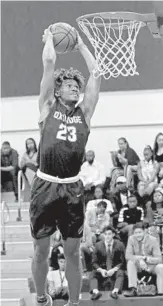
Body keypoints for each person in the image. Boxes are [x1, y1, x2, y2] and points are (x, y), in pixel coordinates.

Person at [29, 25, 101, 306]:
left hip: (72, 188)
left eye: (77, 86)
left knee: (72, 252)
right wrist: (49, 39)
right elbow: (49, 63)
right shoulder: (48, 106)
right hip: (45, 184)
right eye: (70, 85)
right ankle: (41, 296)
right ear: (58, 91)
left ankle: (73, 301)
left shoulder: (85, 112)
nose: (75, 88)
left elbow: (97, 74)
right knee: (40, 250)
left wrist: (81, 46)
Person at [124, 223, 163, 297]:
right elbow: (128, 255)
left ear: (144, 232)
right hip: (138, 265)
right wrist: (140, 259)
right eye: (135, 233)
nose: (138, 235)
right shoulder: (131, 239)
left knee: (161, 267)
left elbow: (159, 259)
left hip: (151, 265)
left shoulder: (153, 240)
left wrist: (146, 259)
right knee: (130, 262)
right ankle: (133, 289)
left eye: (140, 232)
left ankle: (160, 293)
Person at [90, 225, 125, 300]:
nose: (107, 236)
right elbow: (94, 262)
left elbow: (122, 261)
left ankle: (115, 291)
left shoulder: (120, 244)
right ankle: (96, 292)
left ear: (113, 234)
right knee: (93, 273)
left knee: (120, 273)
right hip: (103, 270)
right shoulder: (98, 245)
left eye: (109, 234)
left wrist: (113, 270)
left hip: (114, 270)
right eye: (105, 234)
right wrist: (101, 270)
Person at [147, 190, 163, 255]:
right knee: (153, 229)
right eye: (155, 196)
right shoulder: (150, 209)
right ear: (153, 199)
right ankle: (156, 248)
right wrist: (155, 222)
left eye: (159, 195)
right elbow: (150, 223)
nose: (157, 197)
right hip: (155, 225)